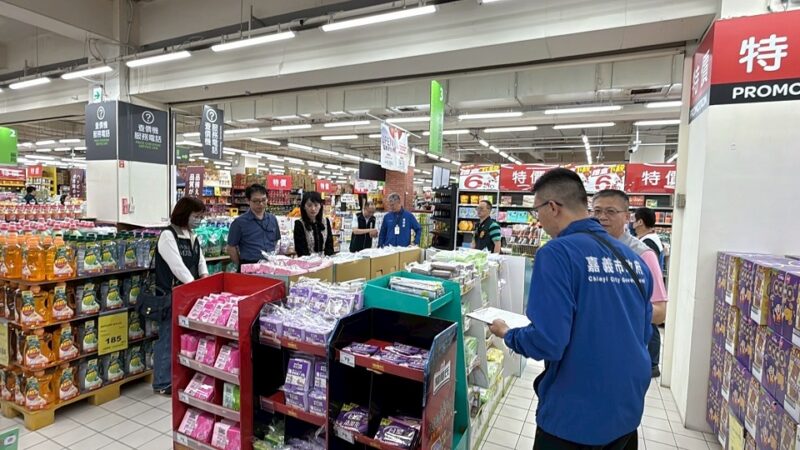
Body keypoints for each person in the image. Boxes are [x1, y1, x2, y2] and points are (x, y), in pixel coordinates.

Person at [488, 168, 652, 449]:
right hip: (627, 410)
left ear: (552, 207)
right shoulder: (633, 259)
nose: (537, 220)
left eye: (537, 211)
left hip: (574, 415)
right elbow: (643, 332)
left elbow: (548, 342)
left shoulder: (556, 253)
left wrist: (508, 334)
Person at [592, 190, 669, 378]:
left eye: (611, 211)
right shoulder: (586, 248)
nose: (602, 217)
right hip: (587, 351)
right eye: (597, 211)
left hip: (623, 355)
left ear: (627, 217)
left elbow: (660, 312)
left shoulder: (643, 255)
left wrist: (618, 309)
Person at [153, 196, 209, 395]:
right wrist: (195, 285)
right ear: (185, 214)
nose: (198, 220)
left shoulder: (192, 235)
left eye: (201, 217)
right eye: (196, 216)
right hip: (170, 295)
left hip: (188, 294)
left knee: (182, 338)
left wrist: (205, 279)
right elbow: (177, 267)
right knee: (168, 337)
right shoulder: (168, 235)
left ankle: (178, 378)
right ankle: (162, 382)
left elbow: (200, 261)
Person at [227, 184, 281, 268]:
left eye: (264, 200)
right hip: (250, 264)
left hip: (270, 264)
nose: (261, 204)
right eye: (256, 201)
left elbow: (276, 241)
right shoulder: (239, 223)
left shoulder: (272, 219)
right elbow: (231, 247)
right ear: (248, 201)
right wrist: (240, 266)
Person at [293, 191, 335, 256]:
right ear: (304, 206)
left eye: (316, 205)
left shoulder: (326, 221)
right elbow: (300, 250)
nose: (313, 208)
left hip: (325, 260)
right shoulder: (299, 224)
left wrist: (327, 259)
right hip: (307, 260)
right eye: (309, 205)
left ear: (320, 206)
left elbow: (329, 245)